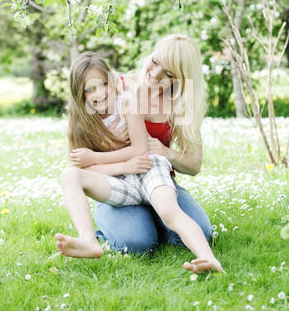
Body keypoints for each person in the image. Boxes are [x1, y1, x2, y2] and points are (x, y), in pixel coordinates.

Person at [56, 48, 224, 273]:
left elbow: (139, 149)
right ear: (79, 93)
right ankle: (89, 240)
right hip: (118, 180)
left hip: (148, 169)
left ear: (113, 81)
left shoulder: (126, 102)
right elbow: (85, 167)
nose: (99, 93)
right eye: (89, 89)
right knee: (69, 175)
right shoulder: (79, 121)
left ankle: (209, 259)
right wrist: (121, 166)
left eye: (104, 84)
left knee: (169, 211)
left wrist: (97, 157)